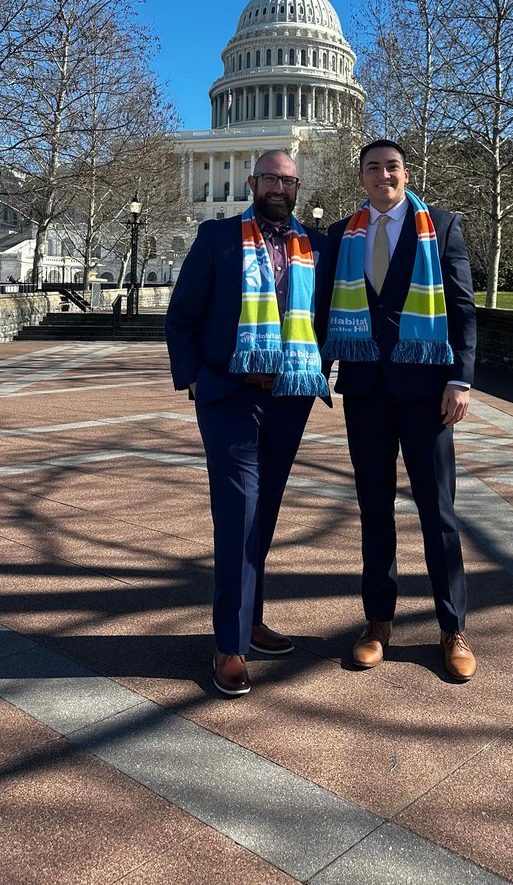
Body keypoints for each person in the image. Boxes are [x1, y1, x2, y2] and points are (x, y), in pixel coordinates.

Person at [165, 150, 329, 698]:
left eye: (288, 180)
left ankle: (251, 622)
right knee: (238, 514)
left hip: (288, 396)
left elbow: (332, 315)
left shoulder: (316, 247)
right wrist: (191, 379)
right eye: (270, 179)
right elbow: (183, 312)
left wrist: (316, 365)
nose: (279, 187)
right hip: (229, 395)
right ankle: (230, 643)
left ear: (297, 186)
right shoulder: (218, 239)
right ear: (252, 182)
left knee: (265, 514)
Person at [322, 139, 478, 682]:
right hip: (366, 386)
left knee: (438, 513)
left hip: (426, 388)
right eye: (373, 168)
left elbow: (461, 307)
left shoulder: (442, 224)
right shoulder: (344, 233)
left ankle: (452, 627)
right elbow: (322, 306)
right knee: (374, 509)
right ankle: (377, 622)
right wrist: (312, 365)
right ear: (361, 177)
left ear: (405, 173)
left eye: (392, 167)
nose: (382, 175)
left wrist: (460, 378)